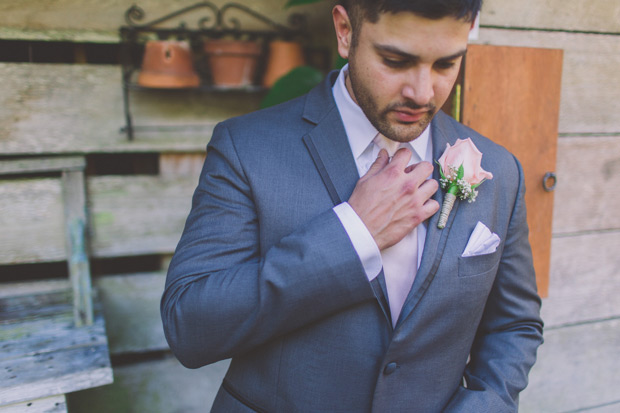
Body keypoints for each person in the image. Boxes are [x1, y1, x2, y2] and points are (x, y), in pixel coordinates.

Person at [161, 0, 543, 411]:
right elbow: (191, 327)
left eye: (446, 64)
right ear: (345, 31)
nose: (422, 92)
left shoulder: (499, 169)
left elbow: (515, 325)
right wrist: (353, 233)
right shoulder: (247, 148)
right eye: (396, 60)